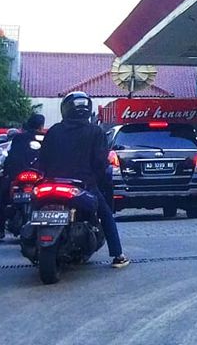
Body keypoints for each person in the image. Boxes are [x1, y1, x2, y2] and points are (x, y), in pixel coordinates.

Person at [39, 92, 128, 268]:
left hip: (52, 182)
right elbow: (100, 161)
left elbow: (43, 158)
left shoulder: (54, 130)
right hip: (83, 184)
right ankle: (118, 255)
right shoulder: (95, 131)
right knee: (106, 214)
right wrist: (96, 178)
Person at [0, 114, 46, 242]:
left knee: (1, 198)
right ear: (41, 126)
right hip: (38, 175)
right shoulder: (44, 138)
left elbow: (11, 157)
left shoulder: (18, 138)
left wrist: (7, 172)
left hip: (17, 174)